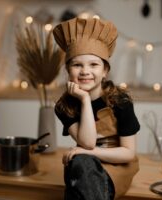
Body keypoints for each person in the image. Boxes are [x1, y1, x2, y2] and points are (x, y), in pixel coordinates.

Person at [53, 17, 140, 200]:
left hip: (117, 166)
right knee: (82, 163)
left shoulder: (120, 101)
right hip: (83, 164)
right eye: (77, 65)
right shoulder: (64, 107)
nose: (85, 71)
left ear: (105, 71)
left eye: (94, 64)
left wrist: (88, 153)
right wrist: (84, 100)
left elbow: (128, 153)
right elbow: (88, 143)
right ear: (68, 70)